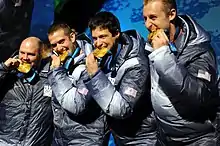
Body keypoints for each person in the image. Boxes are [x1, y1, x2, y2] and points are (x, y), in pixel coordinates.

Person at [143, 0, 219, 145]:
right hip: (164, 136)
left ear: (171, 14)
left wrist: (162, 56)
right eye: (145, 18)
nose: (147, 25)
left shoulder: (199, 50)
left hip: (197, 139)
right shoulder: (154, 45)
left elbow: (198, 97)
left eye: (153, 17)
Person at [85, 11, 157, 145]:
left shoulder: (136, 63)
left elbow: (122, 109)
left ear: (116, 33)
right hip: (121, 137)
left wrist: (95, 75)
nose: (98, 43)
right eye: (95, 38)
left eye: (102, 37)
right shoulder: (106, 56)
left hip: (142, 138)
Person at [47, 23, 106, 146]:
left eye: (62, 41)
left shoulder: (92, 62)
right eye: (54, 45)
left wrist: (57, 72)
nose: (58, 48)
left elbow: (77, 106)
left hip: (87, 139)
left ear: (72, 37)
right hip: (59, 139)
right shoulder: (56, 64)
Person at [0, 37, 53, 145]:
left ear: (41, 55)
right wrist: (3, 68)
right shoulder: (8, 74)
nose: (25, 58)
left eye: (30, 54)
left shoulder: (50, 77)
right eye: (22, 53)